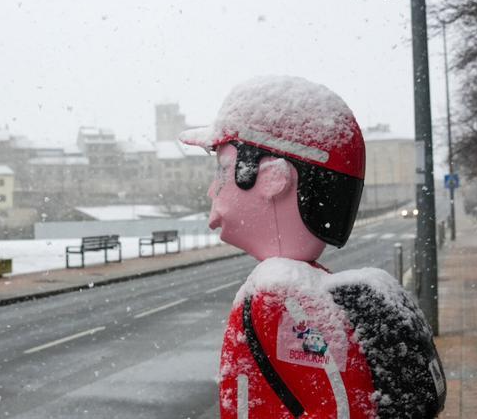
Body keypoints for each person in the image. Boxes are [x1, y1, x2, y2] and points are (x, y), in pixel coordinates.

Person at [180, 76, 445, 418]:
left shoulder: (281, 297)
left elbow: (340, 411)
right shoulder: (306, 284)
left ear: (274, 178)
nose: (211, 191)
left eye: (223, 171)